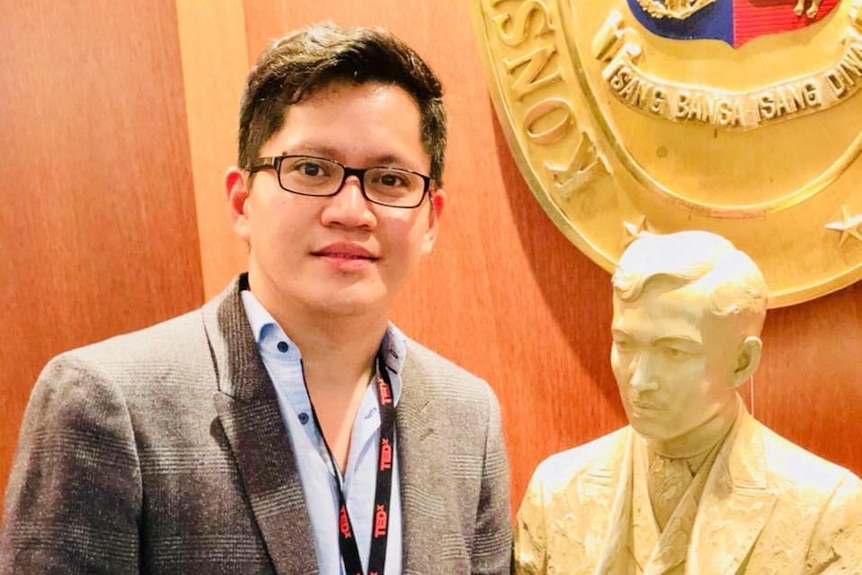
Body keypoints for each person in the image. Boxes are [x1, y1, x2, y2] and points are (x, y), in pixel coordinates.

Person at [0, 22, 511, 575]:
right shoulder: (108, 403)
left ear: (431, 217)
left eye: (390, 180)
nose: (351, 211)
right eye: (312, 170)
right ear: (242, 202)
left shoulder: (469, 416)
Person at [514, 231, 861, 575]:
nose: (640, 380)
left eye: (673, 352)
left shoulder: (826, 510)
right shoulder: (556, 491)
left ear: (742, 361)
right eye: (625, 344)